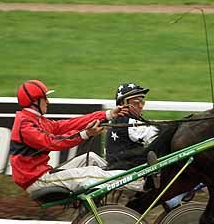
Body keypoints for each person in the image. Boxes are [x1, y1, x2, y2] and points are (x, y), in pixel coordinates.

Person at [9, 79, 146, 194]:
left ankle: (125, 175)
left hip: (44, 174)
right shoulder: (25, 125)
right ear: (35, 101)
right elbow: (52, 142)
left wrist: (108, 115)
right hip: (38, 181)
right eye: (45, 98)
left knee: (91, 159)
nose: (48, 102)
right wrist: (85, 134)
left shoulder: (35, 120)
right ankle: (138, 182)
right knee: (90, 173)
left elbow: (68, 124)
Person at [105, 82, 160, 170]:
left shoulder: (118, 120)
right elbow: (157, 135)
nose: (141, 106)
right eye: (135, 102)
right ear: (123, 104)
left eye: (142, 102)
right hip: (124, 173)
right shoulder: (128, 122)